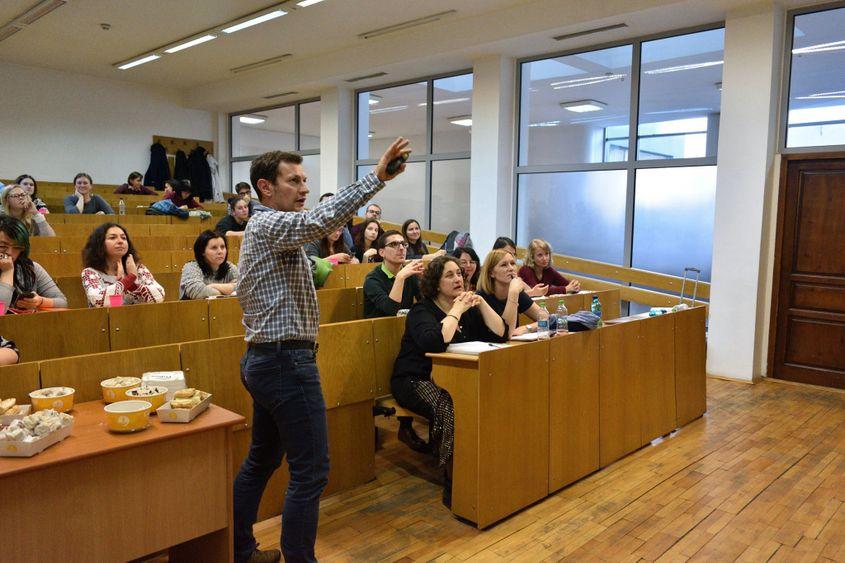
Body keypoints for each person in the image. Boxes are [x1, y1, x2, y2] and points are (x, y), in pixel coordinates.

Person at [233, 138, 410, 563]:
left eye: (305, 180)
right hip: (283, 362)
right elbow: (321, 220)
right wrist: (377, 177)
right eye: (294, 181)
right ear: (266, 188)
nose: (304, 188)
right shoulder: (267, 224)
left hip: (270, 359)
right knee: (310, 470)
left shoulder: (277, 231)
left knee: (262, 460)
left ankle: (239, 550)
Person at [390, 255, 507, 506]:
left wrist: (482, 304)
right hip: (414, 379)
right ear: (435, 283)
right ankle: (453, 478)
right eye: (450, 275)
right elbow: (434, 342)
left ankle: (486, 466)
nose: (458, 279)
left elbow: (500, 333)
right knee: (449, 405)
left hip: (455, 379)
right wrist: (456, 309)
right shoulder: (422, 310)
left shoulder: (468, 308)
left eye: (459, 274)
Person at [81, 223, 165, 307]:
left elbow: (159, 296)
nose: (120, 241)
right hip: (106, 319)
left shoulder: (138, 268)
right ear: (99, 244)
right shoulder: (90, 273)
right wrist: (128, 279)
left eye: (124, 238)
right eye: (112, 238)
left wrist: (132, 283)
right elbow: (100, 301)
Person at [0, 216, 67, 311]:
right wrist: (7, 271)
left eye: (17, 247)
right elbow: (0, 310)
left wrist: (40, 301)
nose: (10, 252)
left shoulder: (31, 268)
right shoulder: (9, 268)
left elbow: (62, 302)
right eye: (2, 246)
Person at [476, 249, 543, 336]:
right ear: (491, 273)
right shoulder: (481, 297)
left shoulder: (517, 293)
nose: (511, 268)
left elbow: (548, 319)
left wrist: (527, 328)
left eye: (512, 263)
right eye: (504, 265)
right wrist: (513, 293)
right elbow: (506, 333)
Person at [363, 230, 424, 319]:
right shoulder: (372, 280)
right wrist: (400, 277)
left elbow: (426, 304)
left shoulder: (410, 274)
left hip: (406, 327)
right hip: (379, 329)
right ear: (382, 252)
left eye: (403, 244)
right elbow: (391, 310)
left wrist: (424, 282)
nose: (401, 248)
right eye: (394, 244)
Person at [180, 230, 238, 299]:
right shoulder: (191, 267)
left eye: (222, 247)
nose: (220, 251)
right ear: (202, 251)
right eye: (214, 248)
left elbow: (243, 288)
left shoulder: (230, 267)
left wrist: (213, 286)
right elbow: (199, 293)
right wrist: (229, 290)